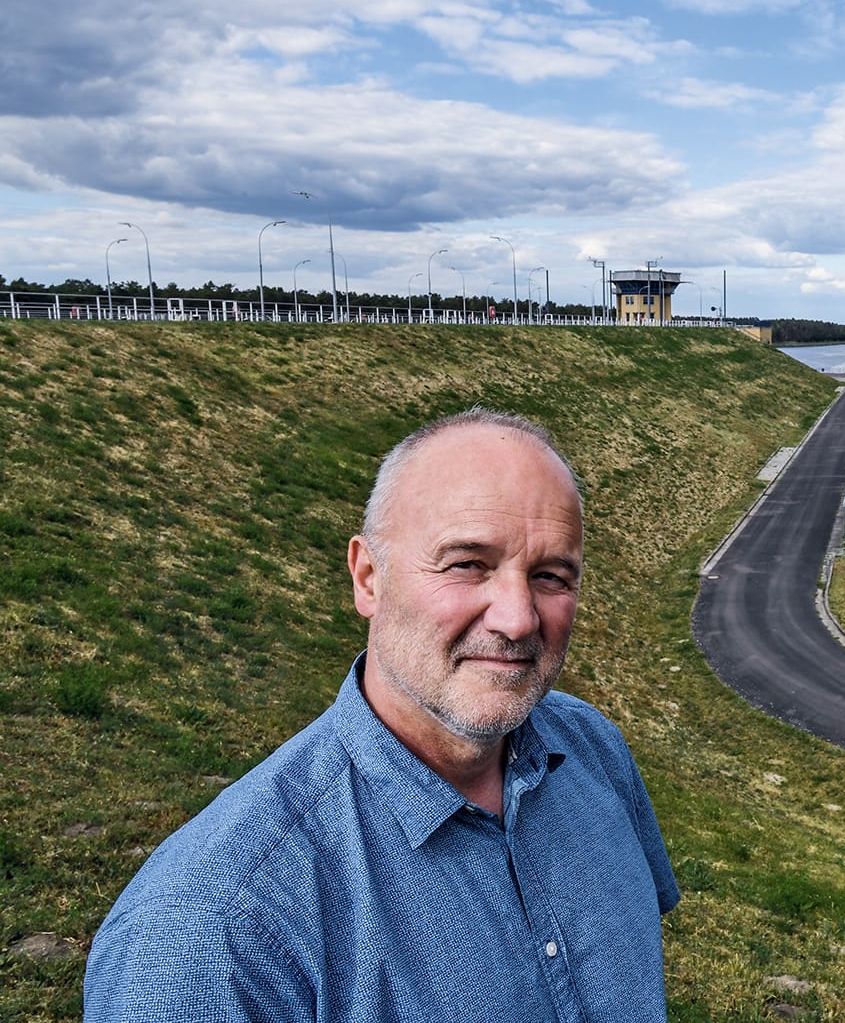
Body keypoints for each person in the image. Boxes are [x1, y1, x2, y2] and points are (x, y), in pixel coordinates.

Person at [85, 408, 680, 1021]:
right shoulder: (208, 931)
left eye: (551, 575)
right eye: (467, 564)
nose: (518, 618)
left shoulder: (595, 748)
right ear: (368, 578)